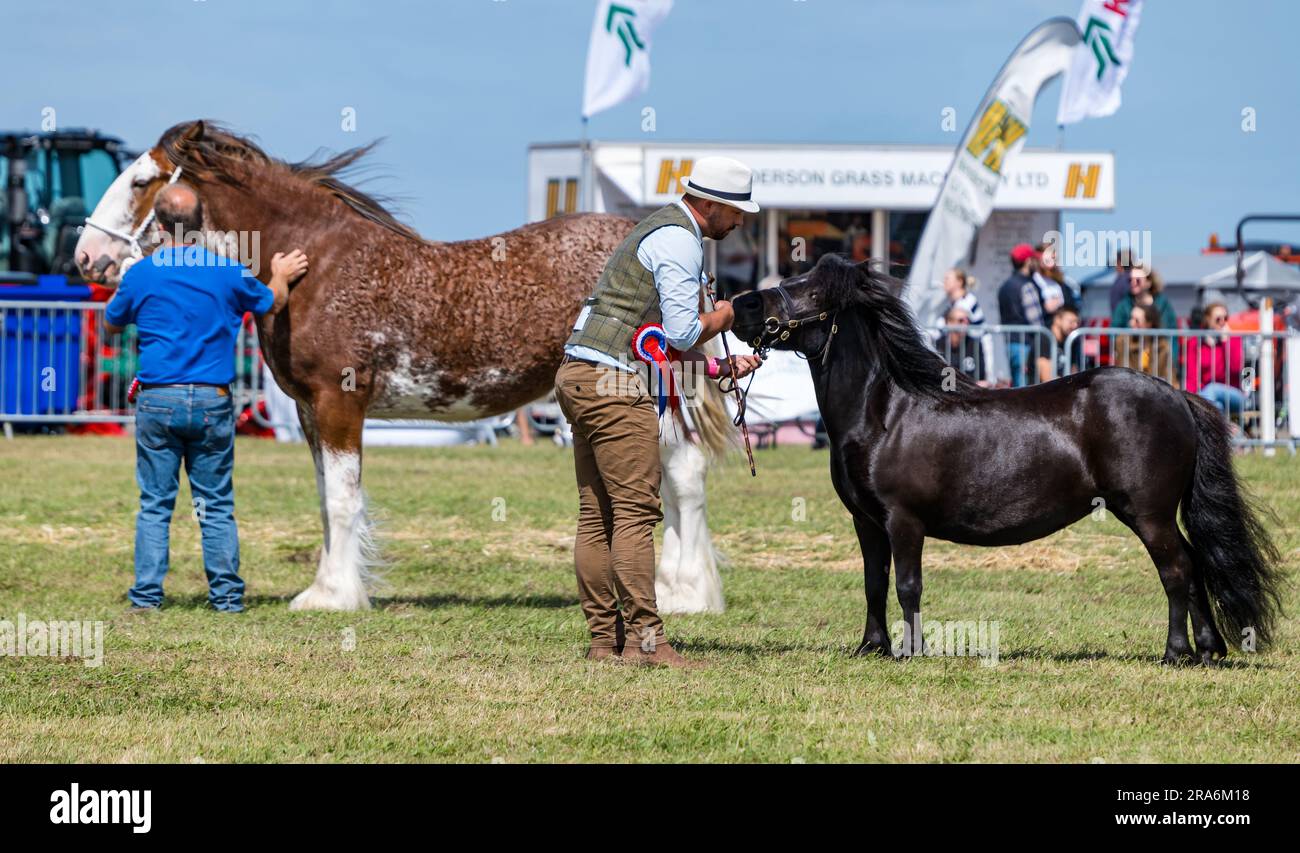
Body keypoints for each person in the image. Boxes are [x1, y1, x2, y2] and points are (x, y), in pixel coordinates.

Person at [555, 156, 762, 667]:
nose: (739, 224)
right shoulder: (680, 241)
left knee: (596, 516)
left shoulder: (656, 228)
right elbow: (681, 333)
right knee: (634, 516)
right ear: (710, 204)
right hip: (613, 385)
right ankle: (648, 644)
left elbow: (652, 345)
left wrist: (717, 370)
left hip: (579, 375)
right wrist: (729, 315)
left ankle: (605, 644)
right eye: (737, 213)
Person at [103, 183, 309, 612]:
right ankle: (227, 600)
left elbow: (112, 325)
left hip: (158, 400)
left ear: (159, 227)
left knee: (156, 505)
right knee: (215, 504)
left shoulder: (142, 272)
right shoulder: (228, 272)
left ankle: (146, 598)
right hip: (214, 400)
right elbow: (271, 302)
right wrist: (281, 274)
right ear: (200, 226)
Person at [1184, 302, 1246, 420]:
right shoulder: (1195, 343)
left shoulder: (1233, 339)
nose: (1223, 322)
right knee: (1217, 406)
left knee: (1212, 389)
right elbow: (1191, 377)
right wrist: (1191, 400)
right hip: (1207, 396)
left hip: (1234, 394)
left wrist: (1226, 342)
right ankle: (1235, 436)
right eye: (1218, 319)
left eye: (1225, 318)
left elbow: (1236, 368)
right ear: (1208, 320)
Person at [996, 243, 1047, 387]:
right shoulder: (1026, 286)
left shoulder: (1004, 286)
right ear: (1028, 261)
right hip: (1025, 345)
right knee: (1026, 391)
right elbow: (1036, 321)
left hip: (1011, 344)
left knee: (1017, 387)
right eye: (1033, 259)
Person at [1116, 303, 1173, 380]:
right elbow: (1123, 373)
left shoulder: (1162, 346)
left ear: (1149, 324)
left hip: (1155, 389)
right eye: (1131, 318)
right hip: (1131, 388)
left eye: (1137, 320)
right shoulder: (1123, 341)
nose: (1131, 323)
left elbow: (1170, 376)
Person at [1111, 265, 1176, 330]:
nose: (1133, 283)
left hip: (1157, 340)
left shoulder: (1162, 303)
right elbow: (1115, 331)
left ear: (1148, 282)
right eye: (1130, 280)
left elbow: (1171, 329)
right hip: (1131, 340)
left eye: (1138, 280)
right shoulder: (1124, 305)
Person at [940, 305, 990, 386]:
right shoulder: (938, 345)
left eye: (967, 320)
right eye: (961, 320)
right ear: (949, 323)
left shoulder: (975, 344)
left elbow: (981, 378)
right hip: (947, 394)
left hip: (971, 393)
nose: (966, 324)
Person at [1036, 304, 1081, 383]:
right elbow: (1047, 378)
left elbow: (1074, 373)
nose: (1075, 326)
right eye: (1071, 322)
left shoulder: (1071, 340)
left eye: (1077, 322)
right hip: (1042, 392)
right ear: (1057, 320)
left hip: (1062, 389)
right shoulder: (1045, 338)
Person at [1033, 241, 1078, 315]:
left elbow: (1071, 306)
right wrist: (1046, 309)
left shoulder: (1061, 283)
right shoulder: (1032, 282)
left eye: (1054, 258)